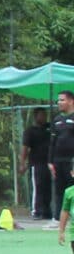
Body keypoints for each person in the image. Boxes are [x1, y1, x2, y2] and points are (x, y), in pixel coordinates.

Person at [26, 108, 54, 221]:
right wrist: (22, 163)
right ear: (36, 116)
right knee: (38, 187)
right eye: (41, 115)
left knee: (48, 188)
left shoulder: (50, 128)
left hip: (49, 162)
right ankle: (36, 211)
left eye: (45, 115)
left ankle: (47, 211)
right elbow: (25, 148)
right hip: (36, 163)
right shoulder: (30, 131)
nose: (43, 117)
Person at [50, 90, 74, 222]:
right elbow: (52, 143)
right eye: (58, 100)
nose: (59, 102)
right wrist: (50, 161)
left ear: (71, 101)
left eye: (62, 100)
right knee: (59, 190)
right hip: (58, 161)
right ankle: (57, 219)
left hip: (72, 162)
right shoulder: (57, 120)